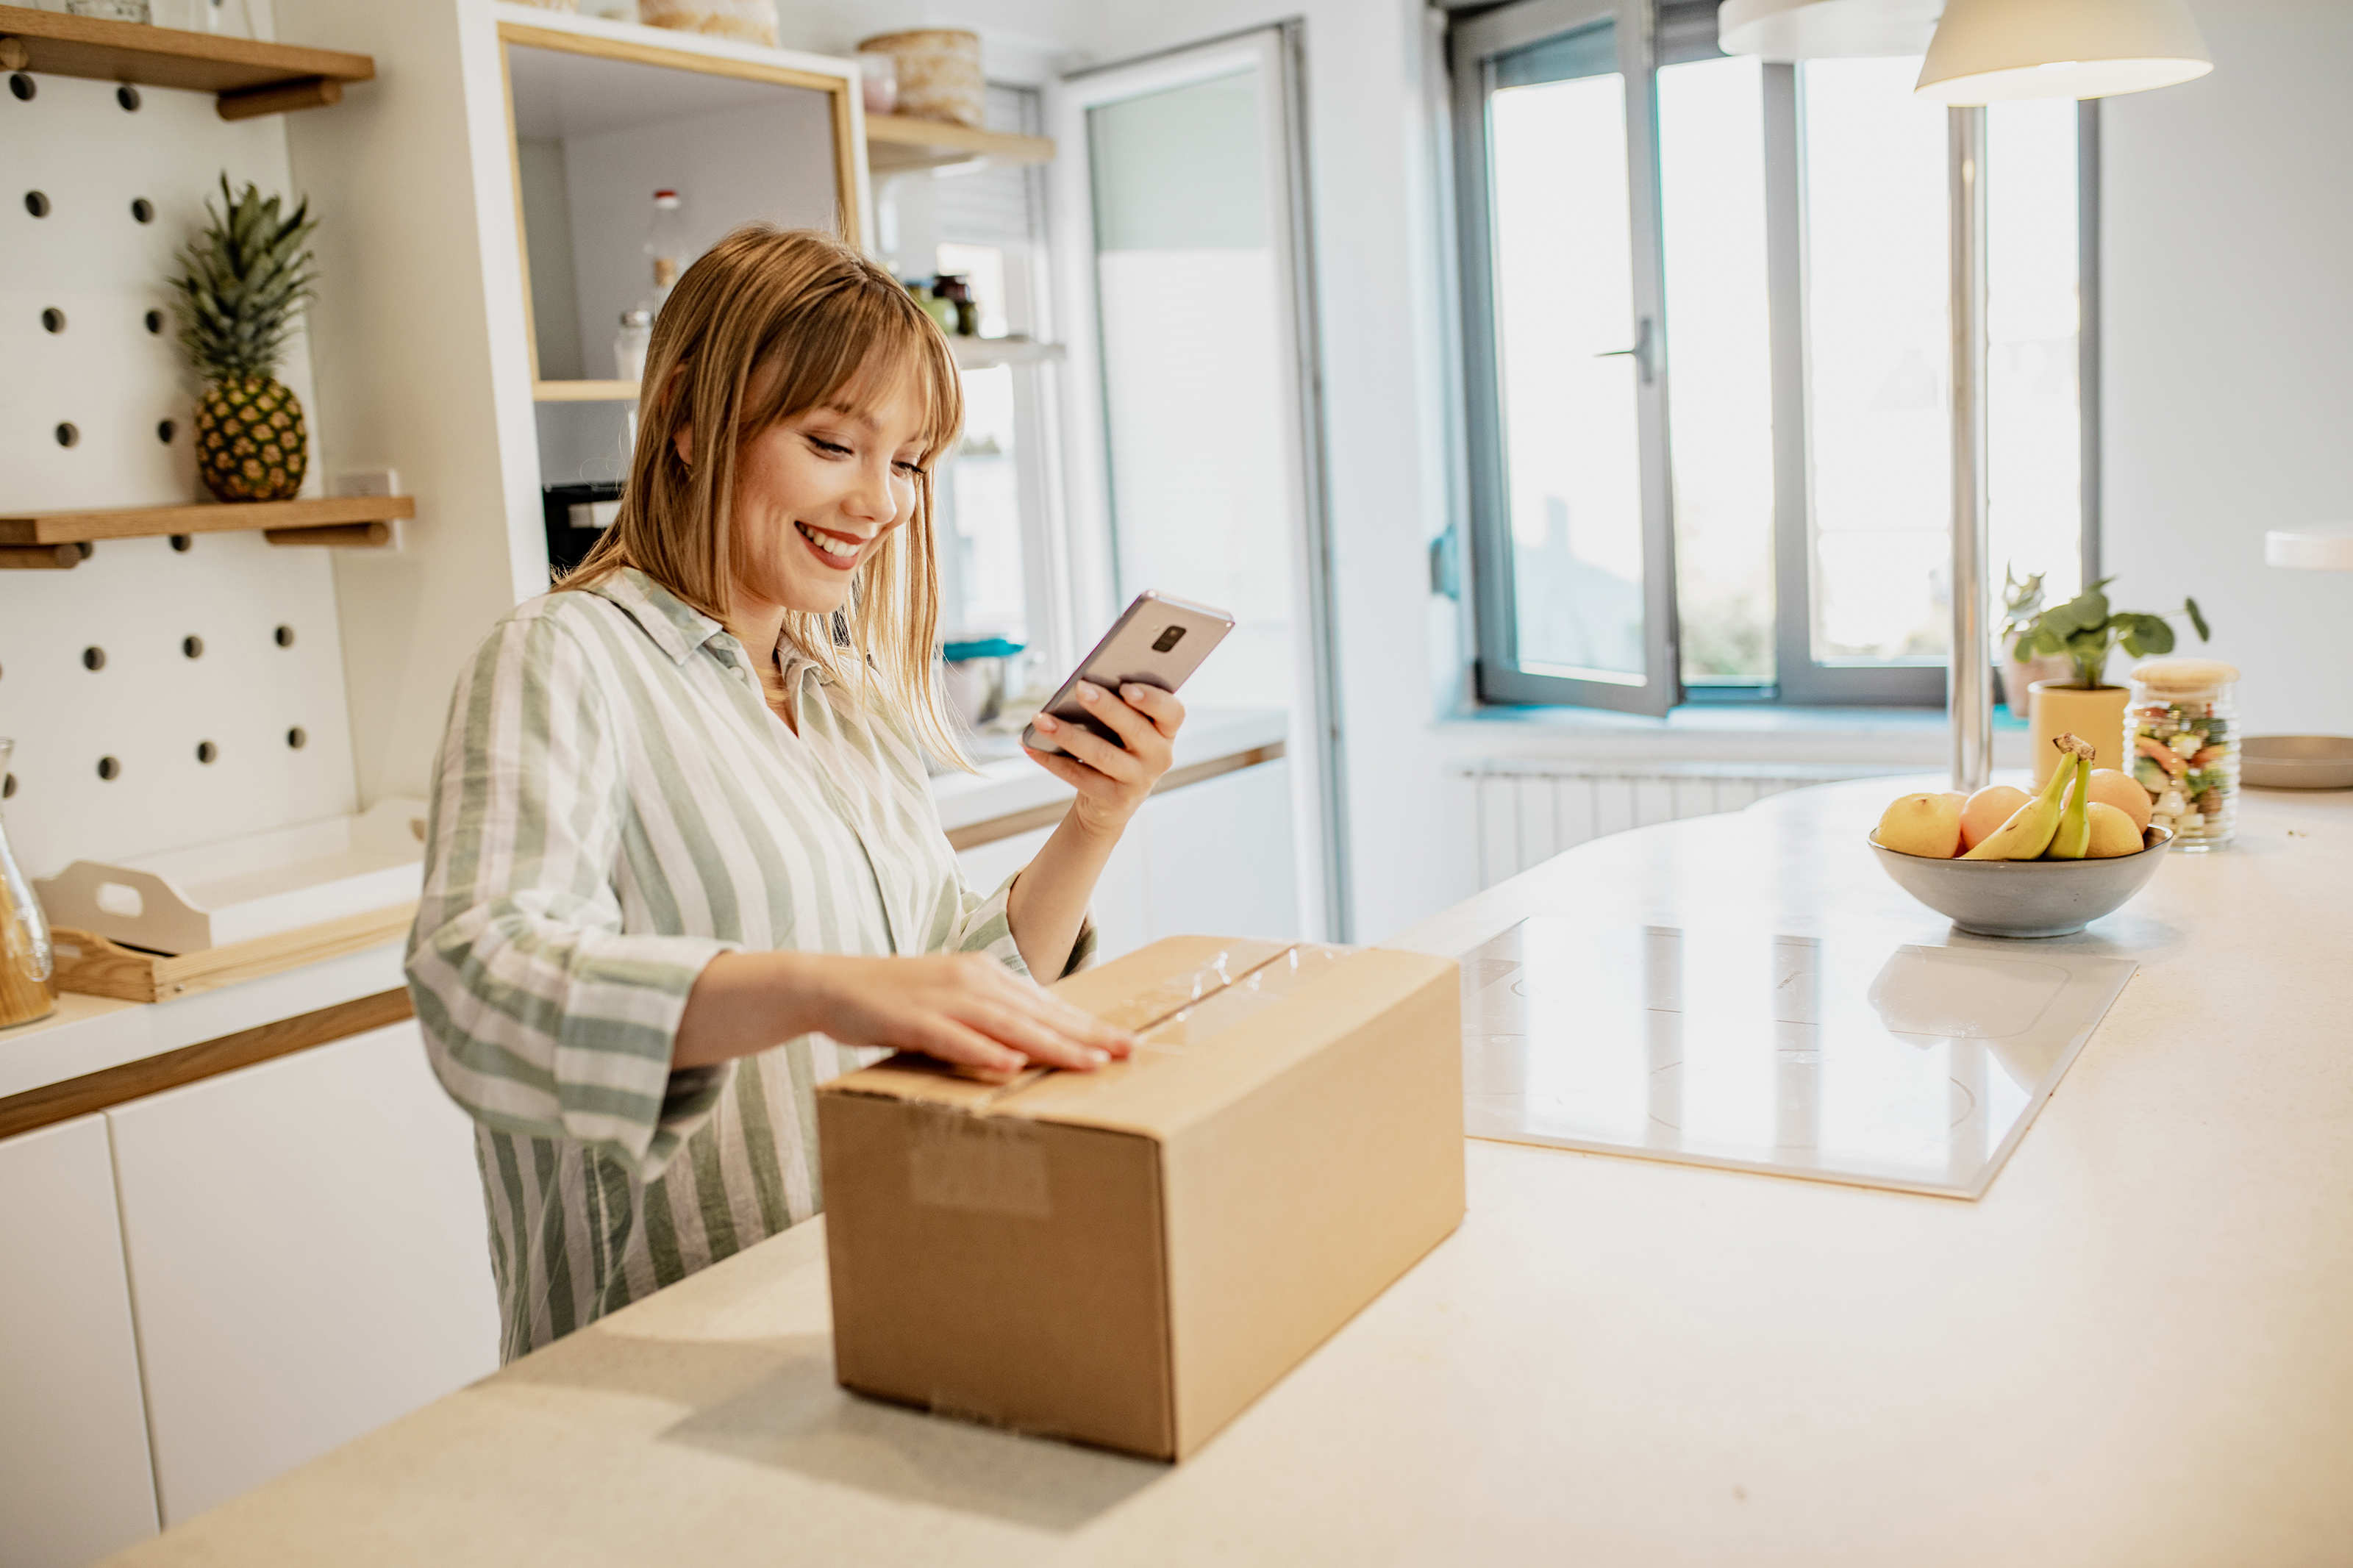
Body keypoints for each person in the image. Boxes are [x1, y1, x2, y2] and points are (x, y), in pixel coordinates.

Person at [406, 226, 1185, 1361]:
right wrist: (816, 990)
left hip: (877, 1304)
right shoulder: (562, 658)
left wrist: (1095, 819)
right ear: (686, 417)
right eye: (833, 444)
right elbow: (479, 983)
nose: (882, 503)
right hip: (664, 1364)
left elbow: (943, 986)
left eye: (909, 461)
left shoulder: (840, 689)